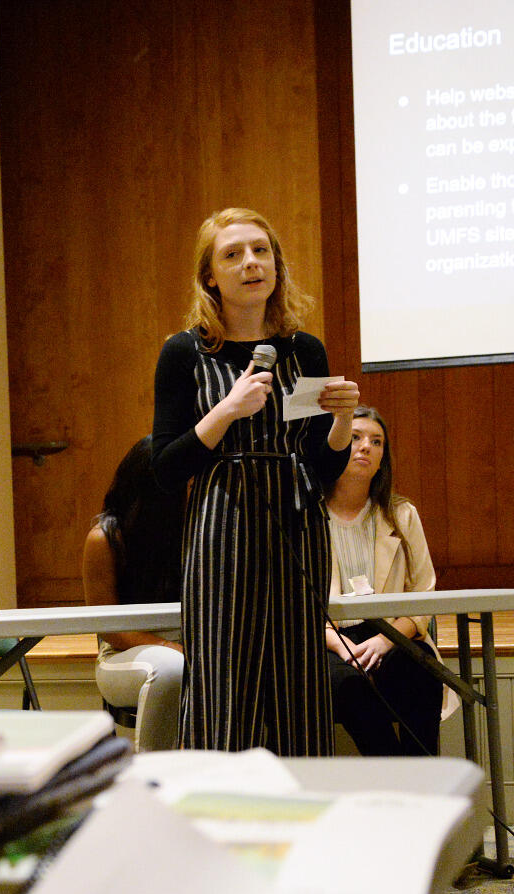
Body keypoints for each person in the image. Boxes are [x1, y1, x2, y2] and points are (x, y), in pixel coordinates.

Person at [151, 207, 360, 753]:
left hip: (297, 524)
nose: (251, 264)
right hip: (223, 526)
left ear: (277, 265)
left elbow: (323, 465)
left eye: (261, 251)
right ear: (210, 278)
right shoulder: (185, 352)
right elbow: (166, 469)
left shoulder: (303, 349)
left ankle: (303, 818)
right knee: (224, 687)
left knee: (300, 690)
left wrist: (341, 421)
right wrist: (226, 411)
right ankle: (215, 822)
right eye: (233, 254)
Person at [324, 407, 453, 756]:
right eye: (355, 438)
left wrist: (385, 640)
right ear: (332, 445)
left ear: (383, 458)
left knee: (419, 669)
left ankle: (419, 781)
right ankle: (400, 782)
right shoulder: (306, 516)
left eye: (376, 441)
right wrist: (338, 643)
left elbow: (425, 594)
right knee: (349, 685)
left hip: (392, 633)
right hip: (328, 641)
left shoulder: (401, 515)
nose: (366, 446)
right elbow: (290, 602)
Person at [82, 436, 184, 752]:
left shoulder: (197, 527)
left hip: (190, 646)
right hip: (123, 653)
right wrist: (173, 647)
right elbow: (111, 629)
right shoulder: (104, 539)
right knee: (171, 668)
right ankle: (153, 777)